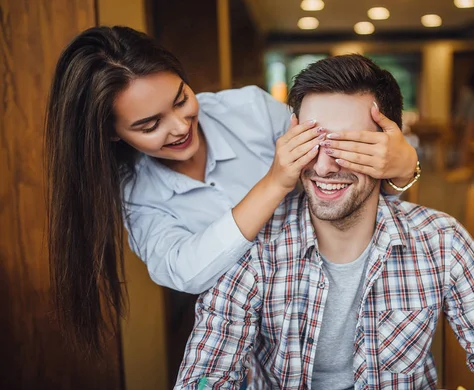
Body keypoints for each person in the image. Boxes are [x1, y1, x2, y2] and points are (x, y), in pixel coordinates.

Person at [172, 55, 474, 390]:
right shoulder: (253, 246)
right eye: (312, 142)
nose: (324, 167)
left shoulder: (441, 240)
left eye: (349, 146)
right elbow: (203, 381)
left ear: (387, 147)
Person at [45, 26, 419, 352]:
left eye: (181, 100)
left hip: (343, 302)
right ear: (112, 132)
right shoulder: (135, 193)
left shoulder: (248, 110)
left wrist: (403, 169)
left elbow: (345, 186)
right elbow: (185, 270)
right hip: (249, 340)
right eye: (149, 125)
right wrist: (274, 182)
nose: (178, 126)